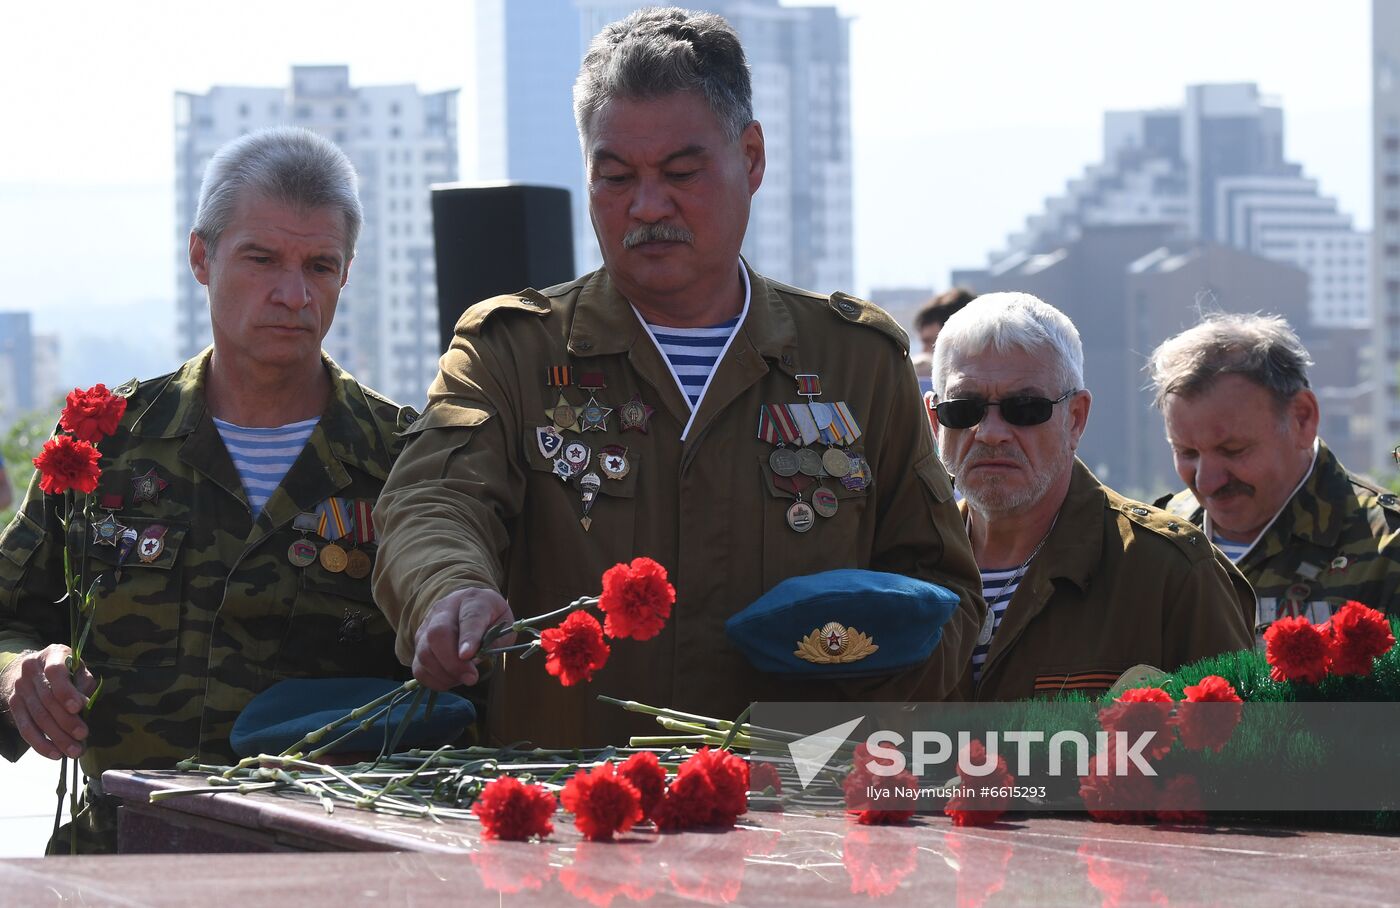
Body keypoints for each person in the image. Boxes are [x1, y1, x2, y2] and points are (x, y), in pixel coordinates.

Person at [372, 7, 984, 747]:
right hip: (574, 817)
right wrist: (450, 591)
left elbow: (942, 597)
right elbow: (434, 499)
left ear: (751, 158)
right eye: (616, 176)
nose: (647, 206)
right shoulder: (513, 352)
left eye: (681, 173)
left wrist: (846, 691)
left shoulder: (855, 362)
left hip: (792, 822)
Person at [0, 127, 415, 852]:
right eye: (261, 259)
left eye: (321, 265)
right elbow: (5, 614)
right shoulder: (103, 443)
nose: (293, 293)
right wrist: (19, 672)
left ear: (347, 275)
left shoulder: (403, 461)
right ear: (202, 256)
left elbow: (456, 683)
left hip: (329, 875)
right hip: (119, 864)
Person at [927, 292, 1254, 700]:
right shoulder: (904, 570)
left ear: (1076, 418)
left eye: (1025, 408)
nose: (991, 432)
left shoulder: (1169, 574)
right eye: (964, 408)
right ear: (936, 421)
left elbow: (1241, 754)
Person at [1149, 313, 1400, 632]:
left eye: (1233, 450)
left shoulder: (1387, 548)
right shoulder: (1155, 540)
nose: (1207, 481)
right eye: (1187, 453)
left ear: (1302, 419)